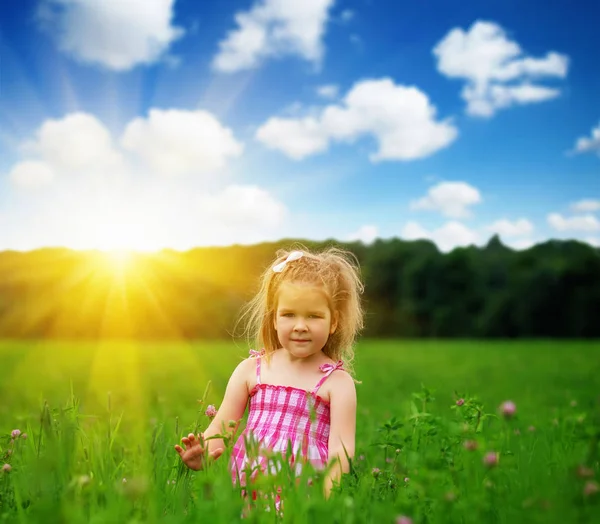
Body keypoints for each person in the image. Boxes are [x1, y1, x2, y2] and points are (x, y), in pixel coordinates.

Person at [174, 246, 364, 507]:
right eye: (288, 314)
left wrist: (326, 502)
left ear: (333, 322)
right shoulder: (252, 369)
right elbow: (222, 427)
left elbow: (341, 453)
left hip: (304, 497)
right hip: (248, 492)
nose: (300, 326)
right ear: (274, 318)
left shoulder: (336, 382)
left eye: (314, 316)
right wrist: (203, 451)